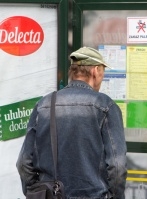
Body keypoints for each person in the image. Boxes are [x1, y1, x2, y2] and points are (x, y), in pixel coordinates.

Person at [16, 47, 127, 199]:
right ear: (95, 71)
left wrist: (38, 191)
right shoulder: (106, 106)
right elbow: (117, 166)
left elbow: (23, 163)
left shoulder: (44, 105)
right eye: (103, 72)